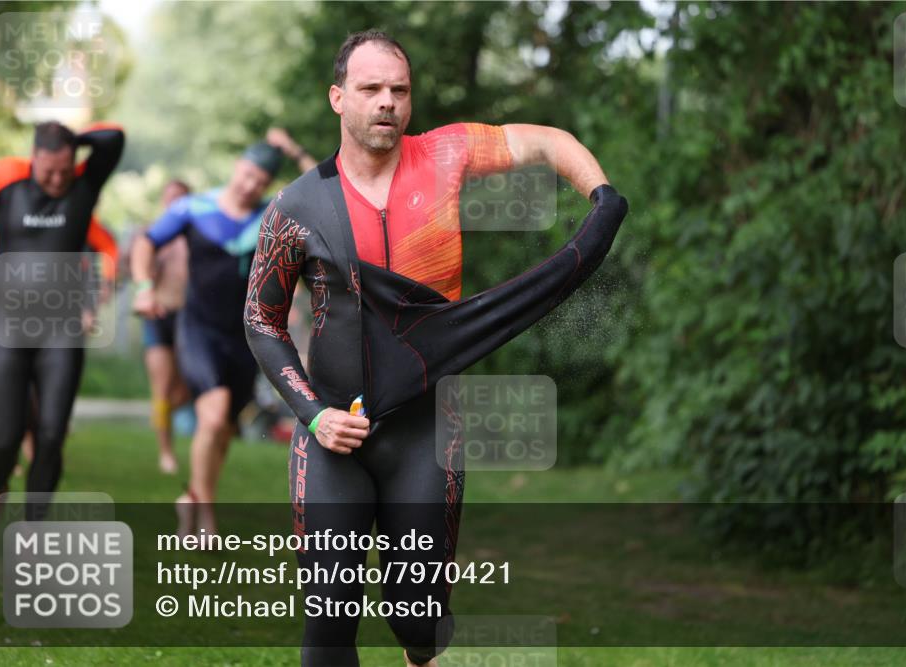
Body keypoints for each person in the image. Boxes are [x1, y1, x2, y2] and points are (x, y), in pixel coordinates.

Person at [243, 31, 623, 667]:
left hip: (427, 427)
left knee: (417, 619)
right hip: (333, 430)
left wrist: (601, 195)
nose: (387, 101)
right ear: (338, 98)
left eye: (399, 89)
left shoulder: (447, 156)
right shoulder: (296, 208)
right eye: (370, 89)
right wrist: (312, 413)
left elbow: (544, 142)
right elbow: (261, 318)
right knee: (329, 619)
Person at [131, 128, 316, 536]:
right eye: (247, 174)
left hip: (247, 337)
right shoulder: (194, 208)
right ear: (237, 167)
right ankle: (203, 514)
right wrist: (144, 288)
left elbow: (323, 184)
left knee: (224, 428)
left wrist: (293, 148)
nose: (251, 185)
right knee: (212, 416)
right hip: (198, 329)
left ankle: (196, 500)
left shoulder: (271, 215)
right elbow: (145, 241)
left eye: (261, 181)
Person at [0, 120, 124, 549]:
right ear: (32, 157)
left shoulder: (83, 187)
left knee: (51, 435)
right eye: (47, 170)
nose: (56, 180)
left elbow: (114, 138)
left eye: (64, 169)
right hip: (6, 332)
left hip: (62, 331)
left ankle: (32, 532)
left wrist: (74, 141)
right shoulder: (7, 181)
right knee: (5, 438)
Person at [136, 179, 192, 474]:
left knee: (186, 390)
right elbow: (134, 268)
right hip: (158, 317)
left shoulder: (196, 235)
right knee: (161, 389)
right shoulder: (154, 236)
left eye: (180, 198)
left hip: (189, 319)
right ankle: (166, 453)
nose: (174, 203)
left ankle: (163, 414)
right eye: (169, 197)